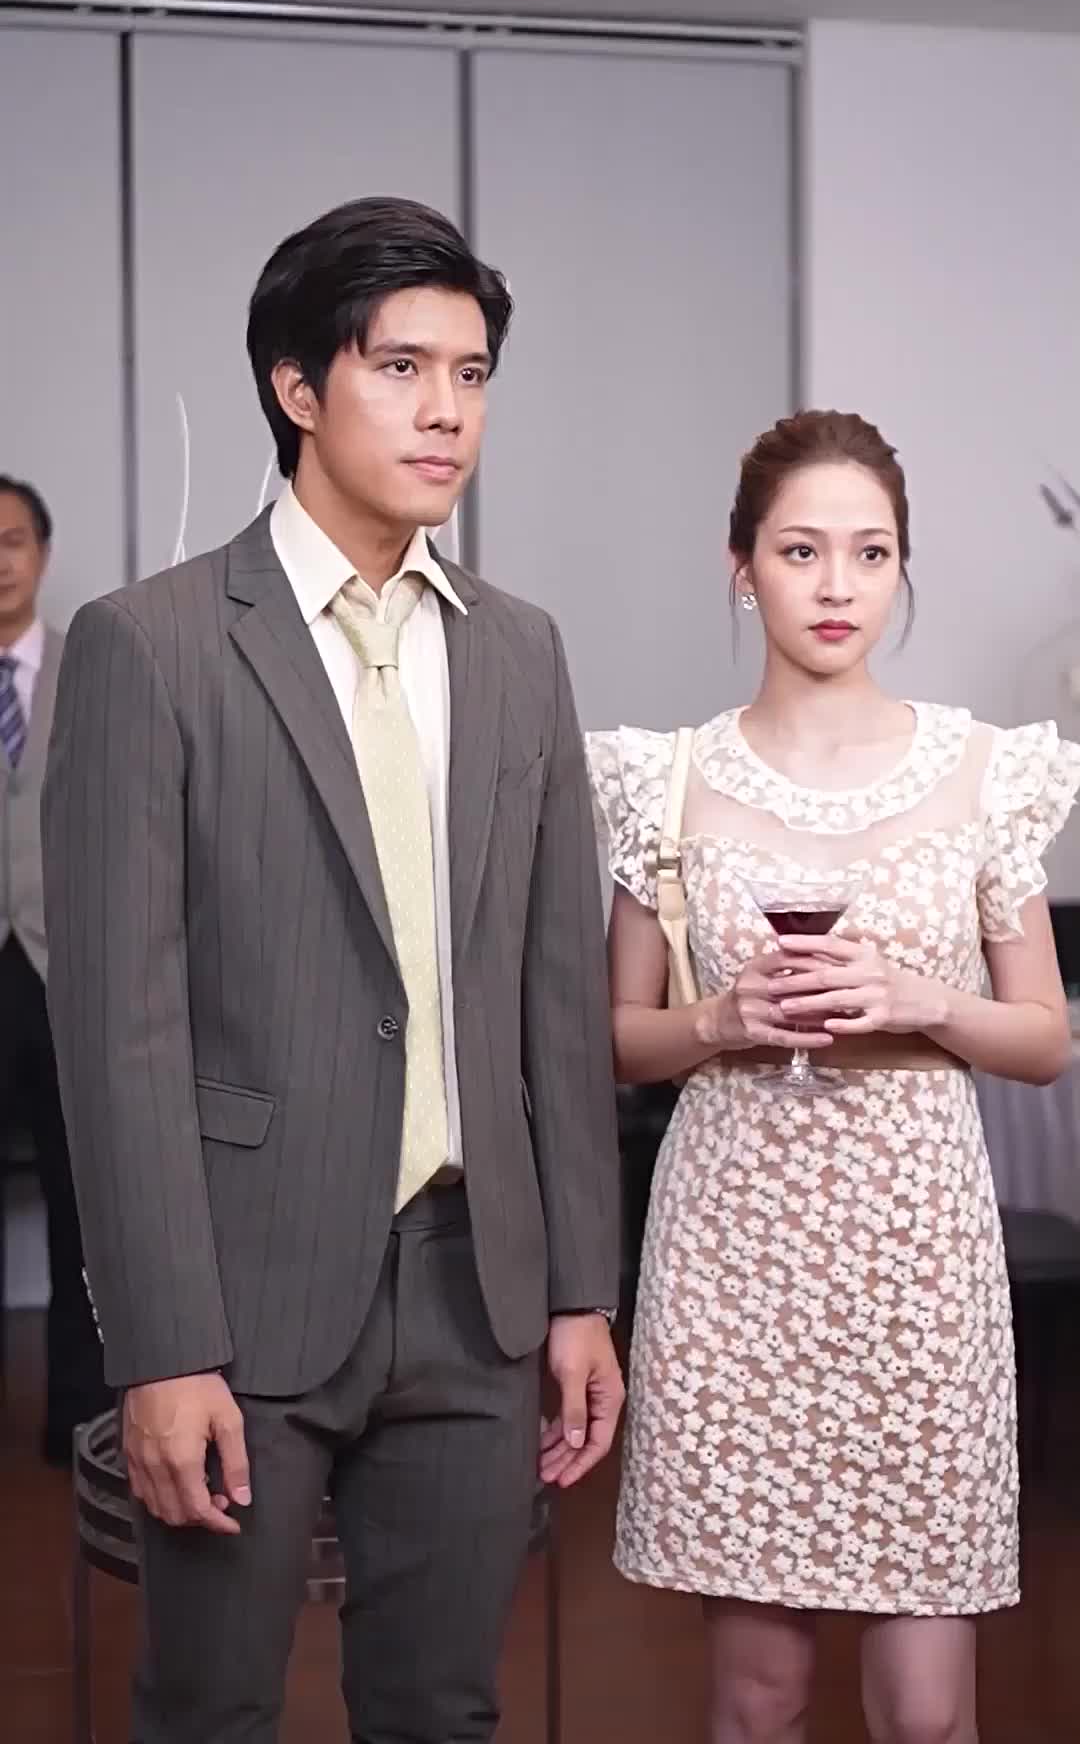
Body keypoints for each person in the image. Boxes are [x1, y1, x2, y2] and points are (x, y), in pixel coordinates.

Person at [43, 195, 623, 1744]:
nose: (447, 412)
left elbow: (557, 1004)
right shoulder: (151, 645)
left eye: (473, 375)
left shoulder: (520, 651)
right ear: (298, 388)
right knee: (210, 1711)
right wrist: (161, 1347)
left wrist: (580, 1292)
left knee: (442, 1710)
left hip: (479, 1290)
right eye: (402, 367)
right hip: (241, 1292)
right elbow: (118, 1035)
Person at [587, 409, 1078, 1744]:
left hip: (916, 1262)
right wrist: (721, 1019)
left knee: (926, 1710)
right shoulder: (664, 780)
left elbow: (1045, 1040)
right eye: (801, 550)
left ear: (902, 567)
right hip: (734, 1255)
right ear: (741, 565)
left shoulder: (985, 772)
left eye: (871, 552)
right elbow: (616, 1037)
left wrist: (925, 1002)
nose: (837, 584)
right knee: (759, 1697)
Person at [0, 475, 109, 1462]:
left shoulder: (94, 670)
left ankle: (77, 1410)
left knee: (85, 1196)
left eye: (13, 539)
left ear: (42, 553)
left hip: (65, 966)